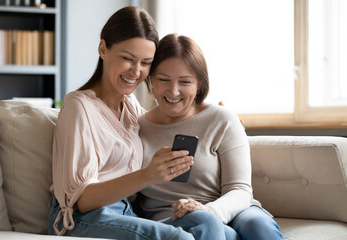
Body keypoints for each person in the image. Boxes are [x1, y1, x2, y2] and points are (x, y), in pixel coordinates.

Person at [48, 6, 227, 240]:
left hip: (126, 213)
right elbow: (82, 200)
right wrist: (148, 175)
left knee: (206, 220)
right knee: (179, 238)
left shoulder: (131, 107)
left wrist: (213, 117)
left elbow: (167, 120)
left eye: (146, 62)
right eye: (127, 58)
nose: (136, 71)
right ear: (103, 49)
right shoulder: (79, 107)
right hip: (79, 219)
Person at [137, 33, 284, 240]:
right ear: (151, 80)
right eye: (163, 80)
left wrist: (209, 211)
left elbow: (240, 189)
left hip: (230, 209)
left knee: (259, 227)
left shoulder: (222, 119)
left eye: (185, 82)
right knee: (224, 234)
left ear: (199, 84)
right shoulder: (137, 127)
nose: (174, 91)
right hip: (173, 219)